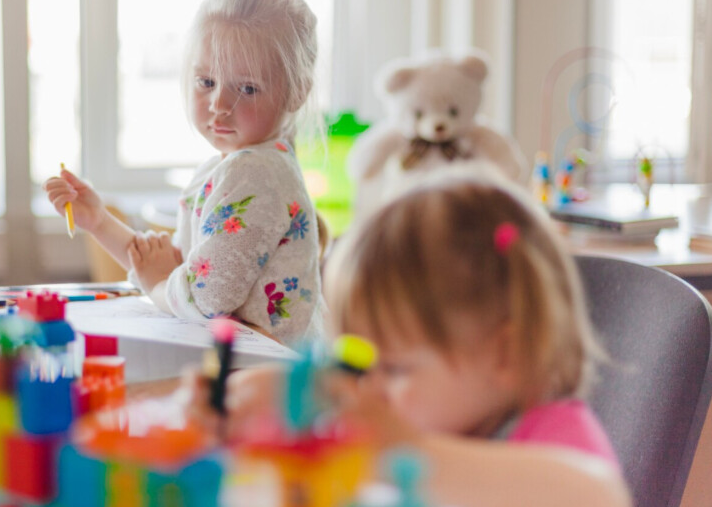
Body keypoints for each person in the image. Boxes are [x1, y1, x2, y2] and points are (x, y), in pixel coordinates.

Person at [186, 167, 630, 507]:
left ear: (506, 354)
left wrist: (400, 448)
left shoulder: (551, 436)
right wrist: (261, 417)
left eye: (395, 368)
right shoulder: (432, 422)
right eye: (358, 362)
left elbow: (598, 495)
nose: (367, 388)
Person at [44, 0, 325, 346]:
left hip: (264, 371)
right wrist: (99, 221)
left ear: (296, 91)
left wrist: (157, 285)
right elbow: (183, 270)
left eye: (247, 88)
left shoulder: (255, 172)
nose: (219, 104)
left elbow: (204, 297)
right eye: (206, 81)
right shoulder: (226, 167)